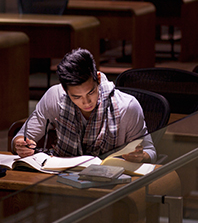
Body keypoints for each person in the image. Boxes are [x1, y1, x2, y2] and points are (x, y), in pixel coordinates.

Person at [12, 48, 156, 163]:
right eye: (76, 97)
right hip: (63, 174)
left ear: (98, 78)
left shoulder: (127, 106)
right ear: (64, 89)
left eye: (91, 92)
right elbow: (22, 137)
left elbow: (150, 151)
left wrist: (141, 155)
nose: (86, 102)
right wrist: (20, 144)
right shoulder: (55, 97)